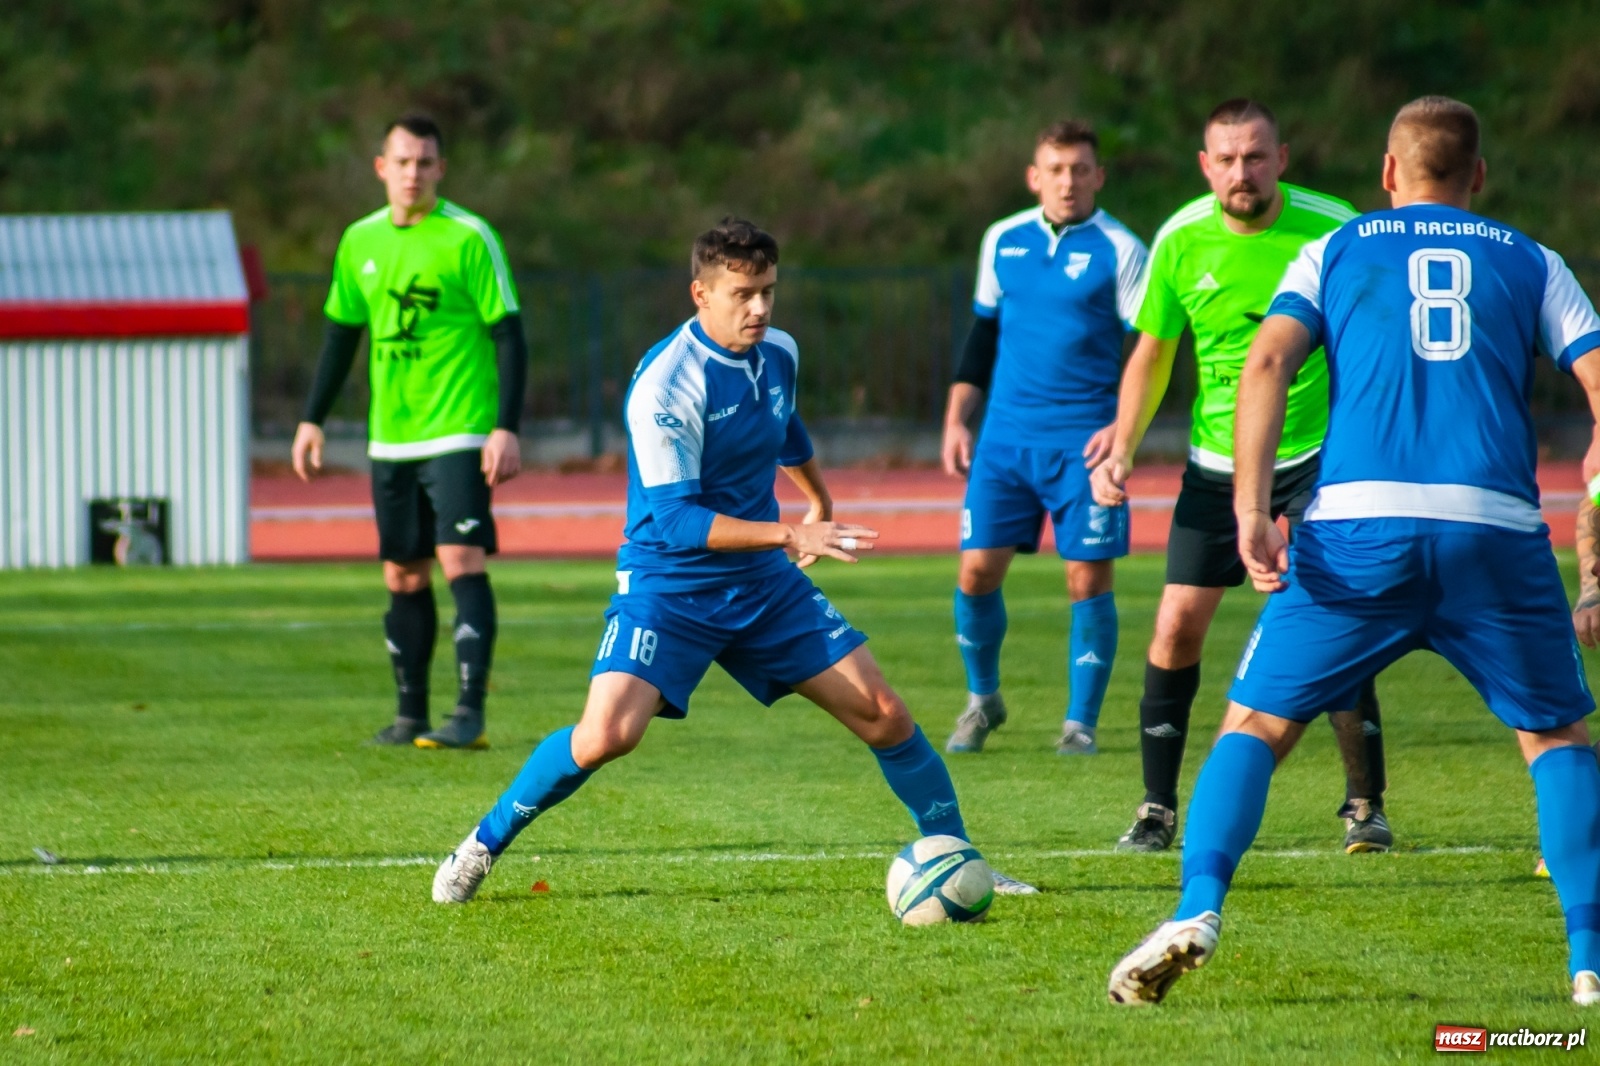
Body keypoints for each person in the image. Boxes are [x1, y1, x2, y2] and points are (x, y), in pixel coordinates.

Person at [1108, 96, 1600, 1008]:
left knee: (1256, 726)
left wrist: (1252, 509)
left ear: (1387, 173)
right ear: (1478, 176)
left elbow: (1266, 366)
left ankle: (1199, 909)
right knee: (1556, 736)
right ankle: (1588, 964)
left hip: (1356, 532)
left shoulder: (1332, 249)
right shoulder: (1535, 261)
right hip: (1493, 528)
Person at [432, 218, 1036, 903]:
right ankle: (480, 845)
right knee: (605, 736)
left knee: (885, 712)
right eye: (744, 293)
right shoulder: (666, 384)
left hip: (761, 582)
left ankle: (960, 861)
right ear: (701, 293)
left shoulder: (778, 351)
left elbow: (786, 424)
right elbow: (679, 522)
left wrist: (816, 496)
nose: (760, 308)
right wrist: (790, 535)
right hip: (671, 583)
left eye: (769, 291)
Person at [1090, 99, 1390, 853]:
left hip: (1323, 462)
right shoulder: (1181, 239)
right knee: (1175, 626)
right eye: (1226, 159)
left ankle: (1365, 806)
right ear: (1204, 165)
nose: (1241, 172)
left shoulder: (1334, 225)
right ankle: (1157, 809)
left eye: (1255, 156)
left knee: (1339, 623)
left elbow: (1374, 340)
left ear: (1281, 157)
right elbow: (1154, 352)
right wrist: (1123, 445)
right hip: (1217, 468)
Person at [292, 114, 528, 750]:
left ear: (440, 170)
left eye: (425, 162)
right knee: (402, 573)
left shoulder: (469, 237)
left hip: (459, 429)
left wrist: (505, 427)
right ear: (381, 168)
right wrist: (312, 417)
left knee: (460, 559)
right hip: (389, 437)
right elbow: (342, 334)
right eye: (402, 162)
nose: (413, 173)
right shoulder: (358, 241)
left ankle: (469, 713)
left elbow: (509, 332)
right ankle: (410, 716)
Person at [941, 120, 1146, 757]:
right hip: (1004, 442)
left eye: (1080, 169)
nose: (1068, 181)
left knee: (1086, 582)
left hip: (1085, 448)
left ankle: (1079, 723)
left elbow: (1151, 346)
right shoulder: (1001, 240)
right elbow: (982, 338)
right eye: (1055, 169)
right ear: (1035, 177)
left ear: (1098, 176)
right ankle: (983, 702)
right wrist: (956, 418)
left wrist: (1122, 426)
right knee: (976, 573)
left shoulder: (1123, 248)